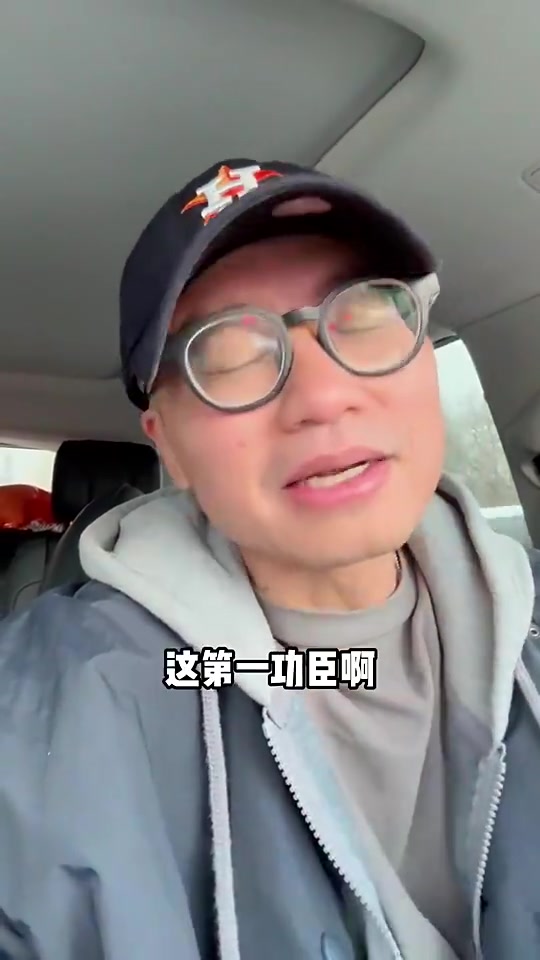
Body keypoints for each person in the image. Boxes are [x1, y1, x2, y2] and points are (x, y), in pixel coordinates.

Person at [0, 158, 539, 960]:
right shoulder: (48, 707)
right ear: (169, 446)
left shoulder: (529, 634)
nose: (323, 395)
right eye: (229, 353)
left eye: (368, 313)